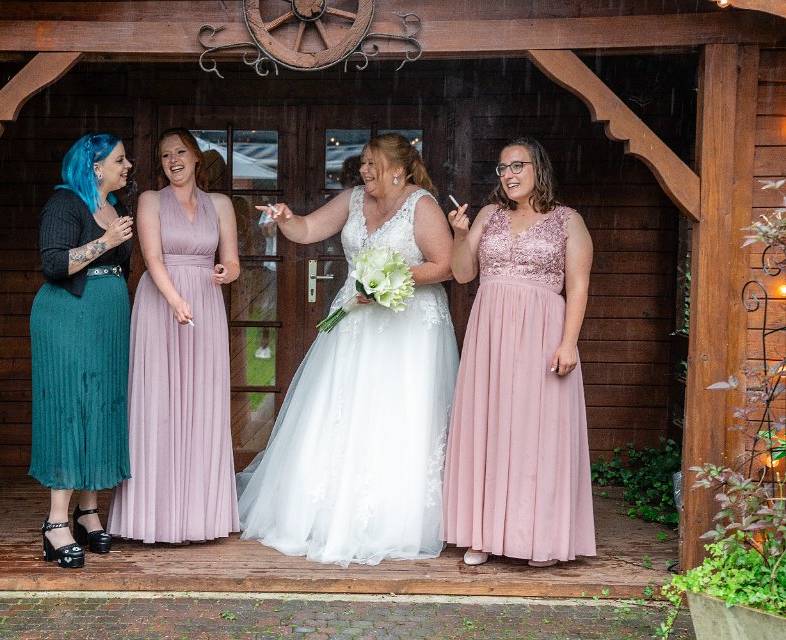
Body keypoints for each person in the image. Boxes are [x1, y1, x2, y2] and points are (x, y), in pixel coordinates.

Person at [238, 133, 459, 567]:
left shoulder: (422, 205)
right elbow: (307, 230)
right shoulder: (353, 200)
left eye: (372, 163)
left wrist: (389, 281)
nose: (364, 170)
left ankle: (394, 519)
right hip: (355, 320)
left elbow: (445, 265)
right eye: (363, 163)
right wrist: (286, 218)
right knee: (342, 407)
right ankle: (326, 512)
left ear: (399, 169)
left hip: (408, 328)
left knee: (396, 411)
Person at [443, 137, 596, 568]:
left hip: (543, 333)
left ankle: (537, 538)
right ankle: (481, 533)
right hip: (491, 333)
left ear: (538, 168)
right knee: (489, 425)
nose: (508, 174)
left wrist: (568, 343)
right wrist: (459, 235)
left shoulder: (568, 221)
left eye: (517, 166)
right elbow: (462, 273)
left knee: (536, 431)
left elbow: (578, 286)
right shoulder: (489, 215)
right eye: (502, 168)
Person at [108, 128, 241, 544]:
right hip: (161, 303)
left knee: (203, 402)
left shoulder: (221, 204)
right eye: (165, 156)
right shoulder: (150, 200)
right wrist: (175, 299)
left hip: (205, 304)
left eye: (180, 152)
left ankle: (201, 518)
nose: (173, 161)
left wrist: (225, 272)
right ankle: (153, 518)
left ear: (196, 156)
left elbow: (233, 262)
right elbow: (152, 258)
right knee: (159, 402)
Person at [29, 133, 135, 569]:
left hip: (107, 319)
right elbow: (54, 264)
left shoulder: (117, 206)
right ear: (96, 167)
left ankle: (88, 511)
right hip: (67, 317)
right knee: (70, 407)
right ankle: (56, 523)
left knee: (102, 405)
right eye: (120, 160)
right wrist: (106, 241)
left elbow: (122, 267)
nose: (127, 166)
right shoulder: (65, 203)